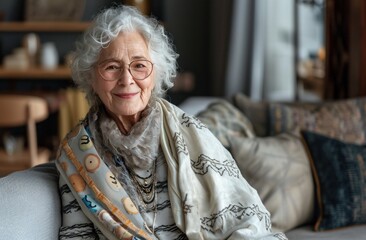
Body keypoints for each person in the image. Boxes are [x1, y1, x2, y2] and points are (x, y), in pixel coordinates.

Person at [56, 5, 287, 240]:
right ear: (91, 77)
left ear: (156, 74)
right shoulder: (77, 155)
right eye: (112, 67)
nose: (127, 79)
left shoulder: (191, 133)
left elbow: (245, 218)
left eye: (139, 66)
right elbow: (78, 235)